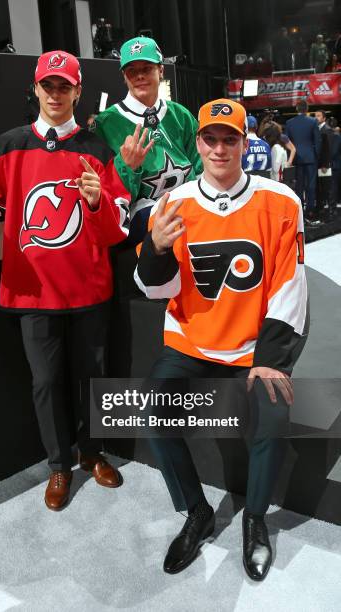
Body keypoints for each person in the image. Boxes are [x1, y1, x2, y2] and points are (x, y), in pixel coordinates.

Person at [0, 50, 131, 511]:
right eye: (48, 86)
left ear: (77, 91)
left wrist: (96, 204)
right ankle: (57, 466)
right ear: (35, 89)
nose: (55, 94)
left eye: (64, 86)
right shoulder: (9, 145)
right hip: (33, 291)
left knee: (92, 378)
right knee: (46, 382)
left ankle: (93, 453)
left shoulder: (96, 149)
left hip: (88, 287)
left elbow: (119, 222)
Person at [135, 98, 308, 581]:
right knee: (150, 407)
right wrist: (155, 249)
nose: (219, 148)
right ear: (198, 143)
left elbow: (288, 283)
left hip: (253, 346)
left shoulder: (281, 201)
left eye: (229, 138)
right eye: (210, 139)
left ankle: (255, 519)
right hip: (190, 340)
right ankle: (196, 511)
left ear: (243, 143)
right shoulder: (174, 204)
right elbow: (155, 287)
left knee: (273, 418)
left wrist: (272, 359)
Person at [91, 36, 203, 244]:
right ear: (124, 75)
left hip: (192, 220)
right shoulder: (105, 125)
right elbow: (105, 196)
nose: (140, 76)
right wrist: (127, 168)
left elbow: (201, 167)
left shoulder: (181, 115)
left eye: (147, 68)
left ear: (161, 71)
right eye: (132, 70)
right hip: (141, 233)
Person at [285, 99, 321, 223]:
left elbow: (287, 143)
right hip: (311, 158)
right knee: (311, 186)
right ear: (306, 109)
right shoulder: (313, 121)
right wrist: (317, 157)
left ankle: (299, 211)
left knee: (299, 186)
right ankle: (310, 212)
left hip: (296, 159)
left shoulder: (289, 123)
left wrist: (290, 158)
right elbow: (318, 142)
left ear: (297, 109)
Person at [315, 109, 334, 220]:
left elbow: (329, 149)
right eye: (315, 115)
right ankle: (321, 208)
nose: (316, 117)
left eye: (318, 116)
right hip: (318, 164)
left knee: (325, 187)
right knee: (320, 187)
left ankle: (328, 211)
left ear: (324, 118)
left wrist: (325, 164)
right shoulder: (317, 129)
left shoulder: (327, 130)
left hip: (324, 165)